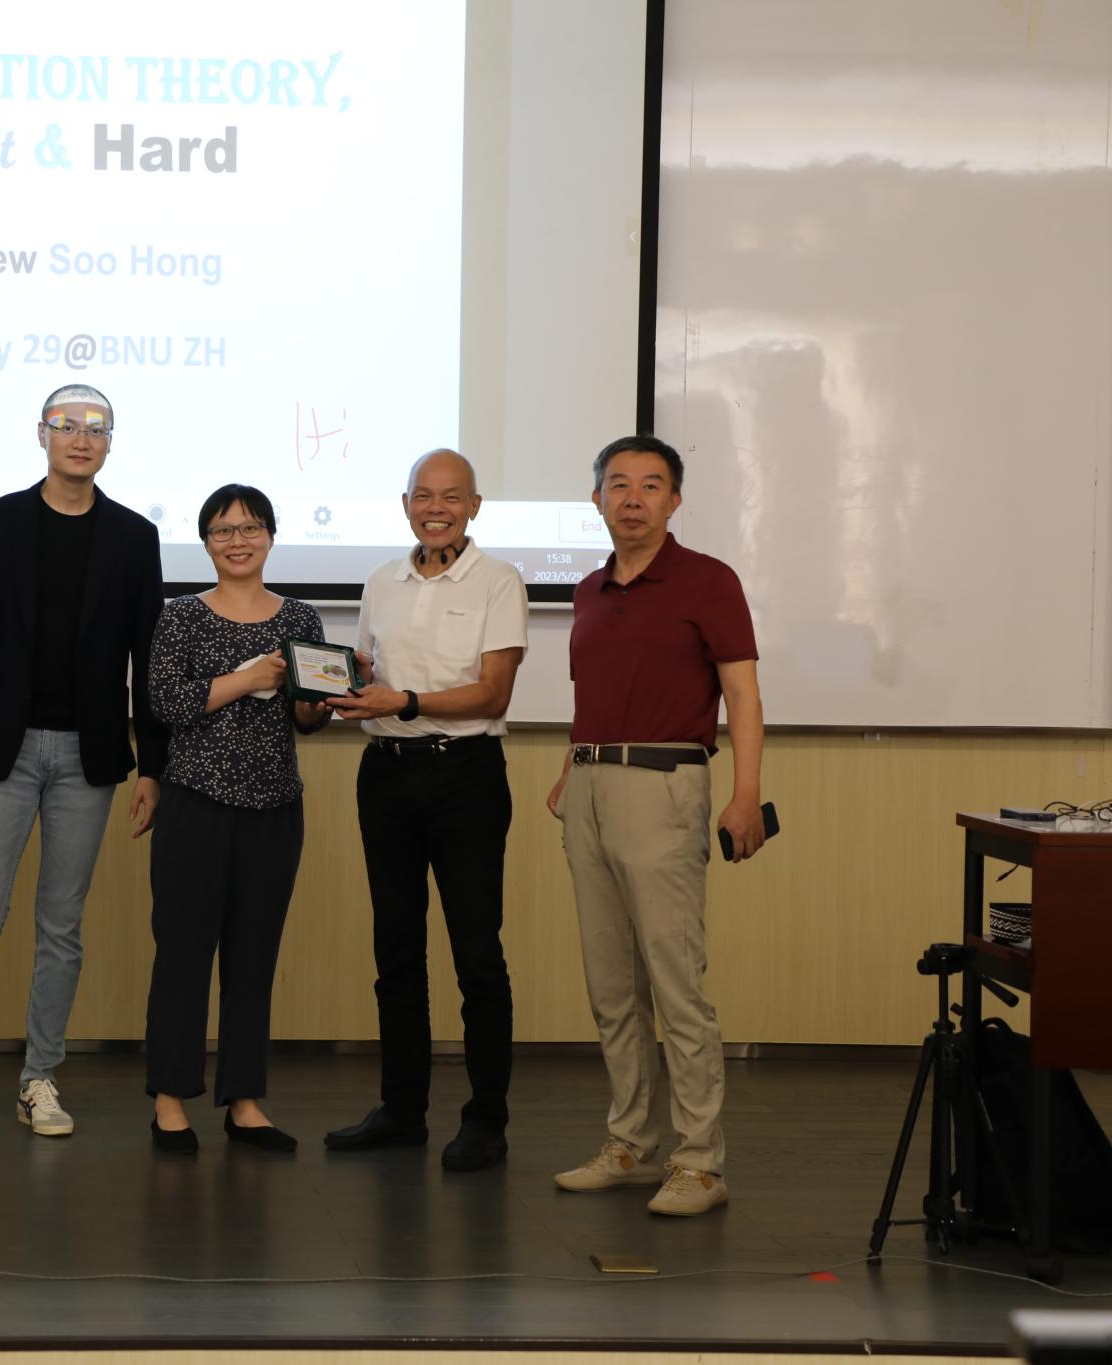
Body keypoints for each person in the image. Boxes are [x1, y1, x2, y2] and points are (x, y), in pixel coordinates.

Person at [0, 383, 168, 1141]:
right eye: (67, 424)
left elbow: (148, 659)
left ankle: (40, 1077)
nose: (81, 437)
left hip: (87, 754)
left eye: (96, 426)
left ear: (109, 442)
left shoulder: (134, 536)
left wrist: (153, 764)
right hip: (4, 747)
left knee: (61, 925)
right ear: (42, 434)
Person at [546, 434, 764, 1217]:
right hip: (590, 786)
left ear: (675, 499)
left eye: (650, 484)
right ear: (596, 498)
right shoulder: (588, 589)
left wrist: (746, 793)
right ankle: (630, 1142)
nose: (632, 498)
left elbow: (742, 696)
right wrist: (572, 770)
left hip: (665, 785)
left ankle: (700, 1161)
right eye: (618, 483)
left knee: (675, 982)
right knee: (612, 983)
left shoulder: (709, 580)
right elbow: (597, 693)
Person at [322, 449, 529, 1172]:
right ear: (405, 503)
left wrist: (404, 700)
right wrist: (347, 686)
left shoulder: (500, 580)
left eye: (450, 496)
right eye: (423, 496)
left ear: (474, 506)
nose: (435, 508)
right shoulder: (381, 580)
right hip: (385, 774)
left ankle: (487, 1119)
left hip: (465, 775)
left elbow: (493, 692)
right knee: (397, 951)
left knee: (477, 952)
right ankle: (402, 1109)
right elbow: (368, 669)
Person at [143, 484, 329, 1154]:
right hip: (195, 802)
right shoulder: (181, 617)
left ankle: (245, 1101)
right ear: (206, 543)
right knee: (183, 954)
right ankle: (170, 1100)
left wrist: (322, 696)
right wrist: (248, 679)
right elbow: (167, 704)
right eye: (222, 530)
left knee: (255, 956)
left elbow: (307, 717)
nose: (237, 540)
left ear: (271, 536)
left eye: (250, 527)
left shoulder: (301, 616)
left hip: (275, 807)